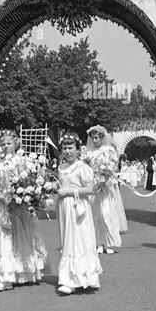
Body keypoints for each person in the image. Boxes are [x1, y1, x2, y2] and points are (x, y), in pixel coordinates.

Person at [0, 130, 48, 291]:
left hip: (21, 205)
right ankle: (6, 278)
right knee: (5, 239)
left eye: (8, 143)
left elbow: (32, 179)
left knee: (24, 237)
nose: (6, 146)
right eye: (2, 144)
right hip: (5, 205)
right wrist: (3, 197)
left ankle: (26, 273)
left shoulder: (24, 161)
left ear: (16, 143)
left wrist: (27, 195)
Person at [55, 132, 102, 295]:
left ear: (77, 149)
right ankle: (71, 277)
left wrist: (69, 191)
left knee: (79, 240)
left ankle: (78, 279)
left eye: (71, 148)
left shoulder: (83, 167)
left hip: (78, 207)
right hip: (64, 208)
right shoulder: (61, 168)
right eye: (65, 148)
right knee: (67, 239)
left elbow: (90, 189)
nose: (68, 151)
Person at [86, 126, 122, 254]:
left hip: (106, 184)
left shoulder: (108, 150)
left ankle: (109, 242)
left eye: (96, 138)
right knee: (96, 215)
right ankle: (99, 243)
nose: (94, 140)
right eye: (92, 138)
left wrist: (106, 172)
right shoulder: (88, 152)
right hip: (93, 184)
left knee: (107, 213)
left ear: (102, 137)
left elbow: (114, 166)